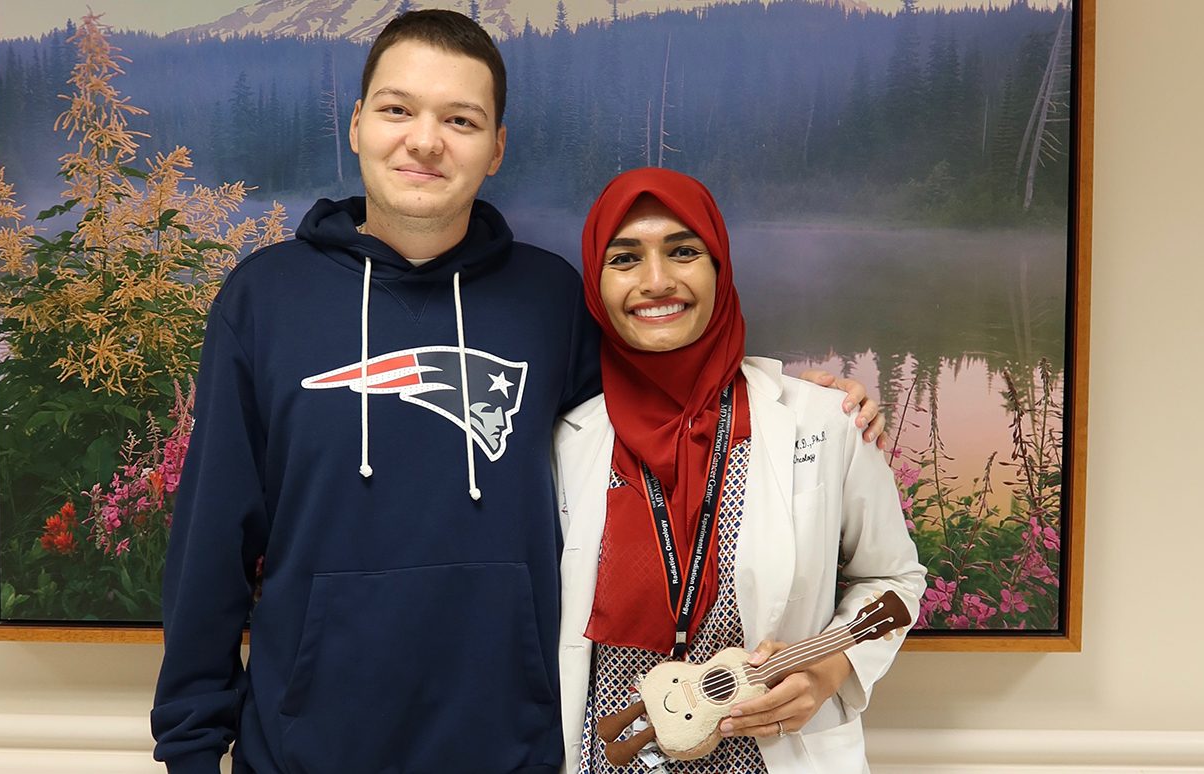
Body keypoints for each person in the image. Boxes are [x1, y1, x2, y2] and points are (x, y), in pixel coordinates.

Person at [152, 11, 884, 774]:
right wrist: (191, 749)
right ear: (358, 123)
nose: (426, 141)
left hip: (518, 749)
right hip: (306, 752)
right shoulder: (264, 300)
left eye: (460, 120)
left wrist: (786, 394)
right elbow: (211, 545)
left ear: (496, 146)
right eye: (399, 109)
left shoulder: (549, 299)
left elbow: (663, 394)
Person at [554, 168, 926, 773]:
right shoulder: (566, 442)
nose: (657, 281)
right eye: (624, 259)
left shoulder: (824, 421)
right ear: (596, 286)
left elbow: (894, 579)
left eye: (683, 251)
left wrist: (830, 670)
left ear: (719, 268)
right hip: (610, 758)